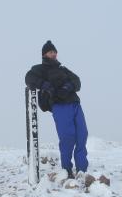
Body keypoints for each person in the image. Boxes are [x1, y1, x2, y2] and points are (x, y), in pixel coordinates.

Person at [25, 40, 88, 178]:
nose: (54, 54)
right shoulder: (39, 69)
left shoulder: (63, 69)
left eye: (55, 52)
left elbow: (77, 81)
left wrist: (68, 87)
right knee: (68, 138)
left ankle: (82, 169)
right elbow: (28, 78)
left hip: (75, 104)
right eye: (51, 52)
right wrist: (45, 85)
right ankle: (67, 169)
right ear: (44, 54)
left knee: (82, 134)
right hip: (59, 106)